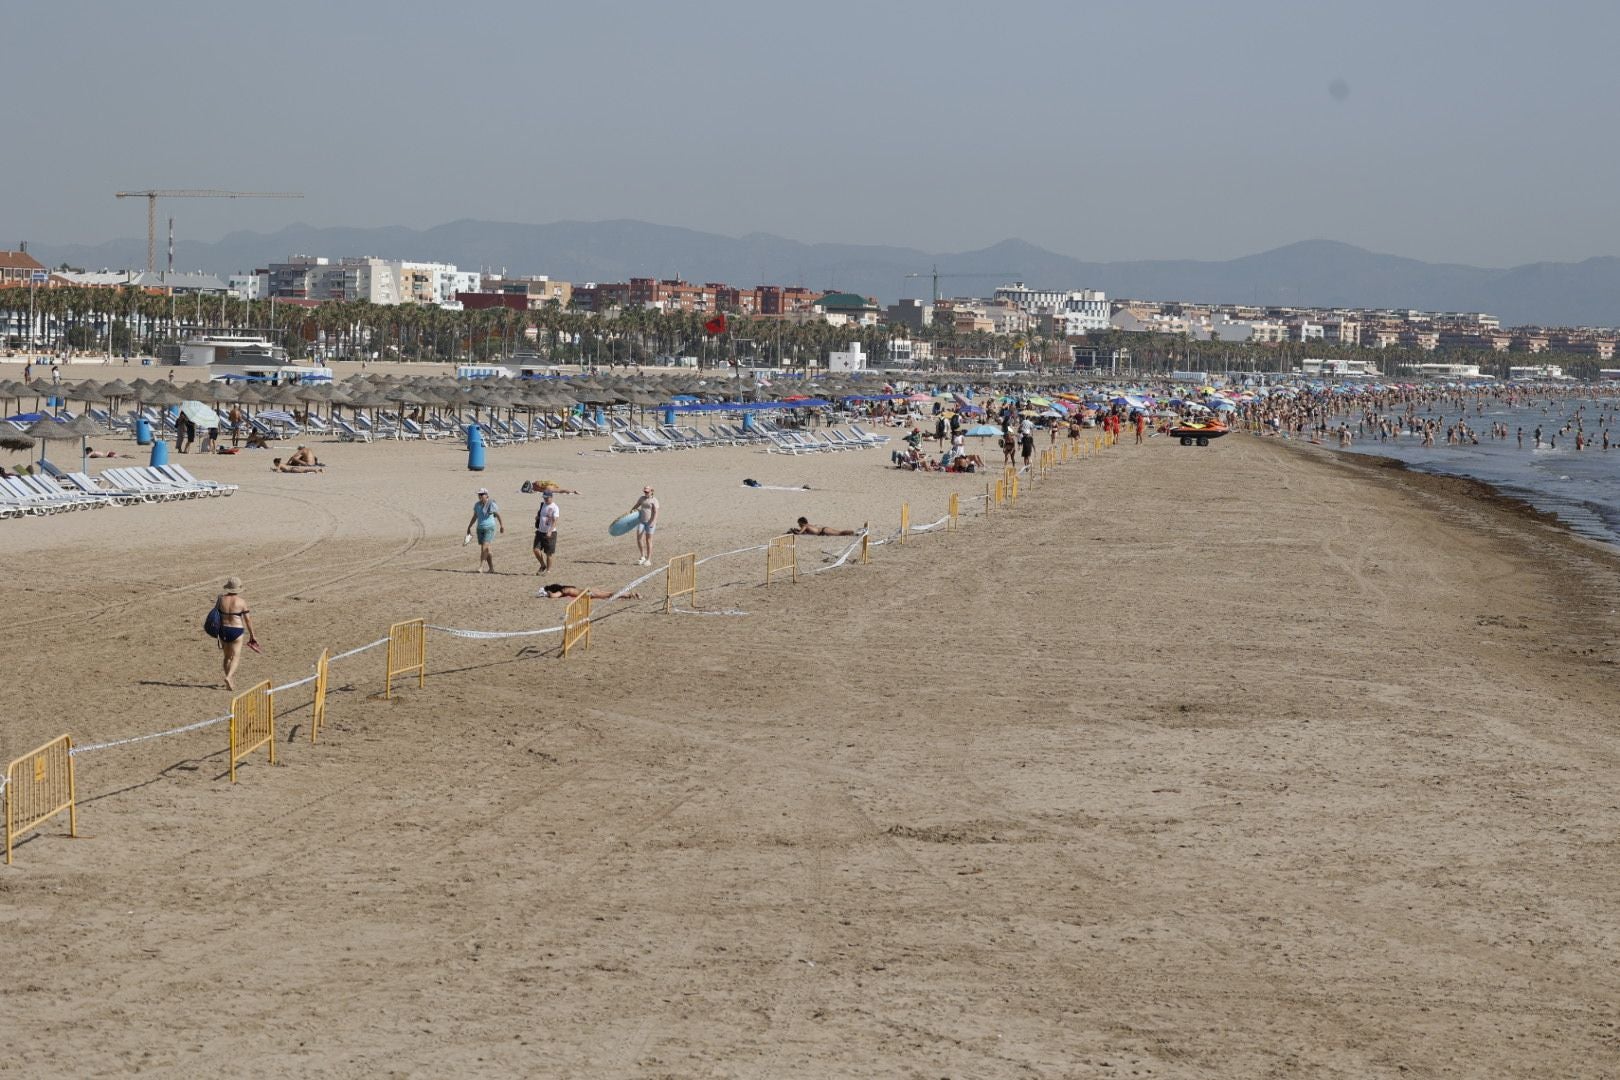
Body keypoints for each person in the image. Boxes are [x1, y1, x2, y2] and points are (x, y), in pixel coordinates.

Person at [213, 577, 257, 692]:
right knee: (236, 656)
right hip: (236, 630)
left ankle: (229, 682)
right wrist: (252, 635)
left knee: (227, 656)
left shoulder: (221, 599)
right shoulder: (241, 602)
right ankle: (229, 677)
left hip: (223, 630)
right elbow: (248, 620)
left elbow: (215, 614)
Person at [466, 487, 504, 573]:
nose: (480, 496)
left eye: (481, 494)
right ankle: (491, 568)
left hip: (489, 528)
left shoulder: (491, 504)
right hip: (480, 528)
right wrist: (469, 527)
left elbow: (497, 515)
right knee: (487, 550)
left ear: (486, 495)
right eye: (479, 494)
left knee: (484, 547)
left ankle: (481, 567)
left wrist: (501, 525)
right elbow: (475, 516)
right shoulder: (477, 505)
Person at [533, 489, 560, 574]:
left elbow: (555, 521)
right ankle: (542, 565)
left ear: (551, 497)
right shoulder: (542, 505)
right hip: (540, 531)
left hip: (550, 533)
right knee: (535, 550)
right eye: (544, 498)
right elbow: (539, 515)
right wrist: (537, 517)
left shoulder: (555, 507)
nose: (545, 499)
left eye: (547, 498)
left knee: (549, 553)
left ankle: (548, 570)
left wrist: (550, 531)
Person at [630, 485, 658, 566]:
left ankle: (648, 559)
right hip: (641, 521)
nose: (645, 493)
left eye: (647, 491)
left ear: (651, 491)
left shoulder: (654, 500)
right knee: (639, 538)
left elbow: (656, 512)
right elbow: (636, 505)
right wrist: (630, 512)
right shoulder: (642, 498)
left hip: (650, 523)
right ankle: (642, 556)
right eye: (644, 491)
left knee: (648, 540)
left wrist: (653, 521)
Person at [540, 583, 641, 600]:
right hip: (588, 591)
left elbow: (554, 596)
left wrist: (547, 593)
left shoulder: (563, 591)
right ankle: (629, 595)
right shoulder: (567, 588)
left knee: (609, 595)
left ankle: (631, 595)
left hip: (588, 593)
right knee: (608, 595)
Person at [788, 517, 856, 536]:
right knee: (840, 532)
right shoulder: (808, 525)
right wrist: (796, 530)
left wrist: (793, 531)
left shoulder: (804, 526)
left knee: (839, 533)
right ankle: (852, 532)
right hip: (824, 529)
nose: (798, 525)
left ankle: (853, 532)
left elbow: (799, 533)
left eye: (799, 524)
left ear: (801, 523)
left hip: (823, 531)